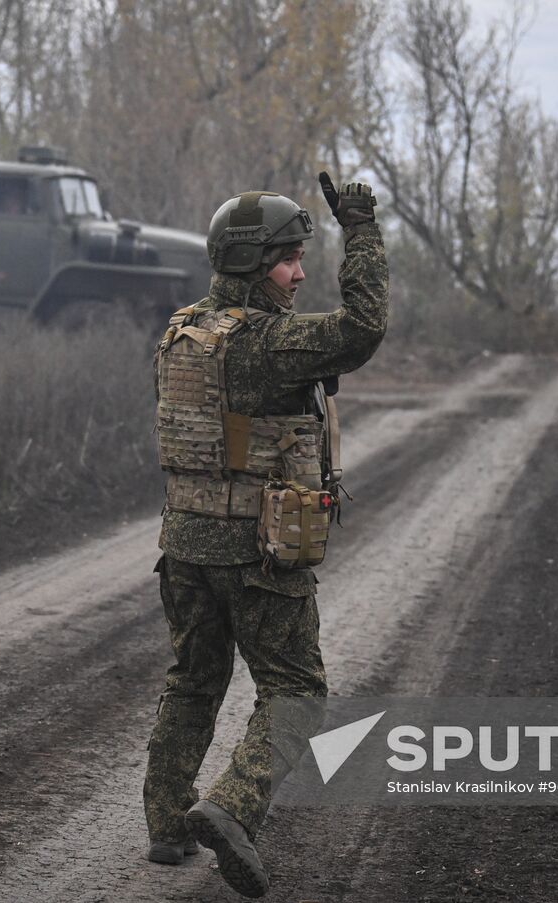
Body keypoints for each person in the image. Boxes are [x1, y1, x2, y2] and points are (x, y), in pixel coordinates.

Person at [143, 174, 387, 898]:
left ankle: (165, 823)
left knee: (192, 680)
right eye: (288, 259)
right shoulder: (272, 343)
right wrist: (362, 232)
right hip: (259, 552)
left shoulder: (181, 331)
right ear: (253, 265)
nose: (301, 271)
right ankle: (232, 806)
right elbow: (363, 328)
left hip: (185, 547)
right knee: (298, 689)